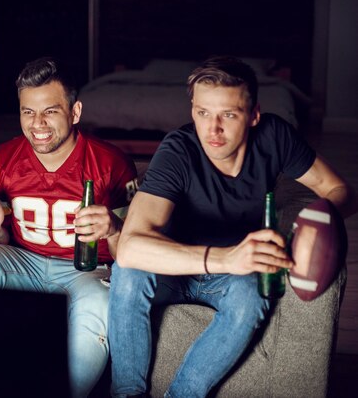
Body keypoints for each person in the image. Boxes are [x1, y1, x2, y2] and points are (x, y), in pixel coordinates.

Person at [108, 55, 357, 398]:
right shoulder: (178, 151)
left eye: (228, 114)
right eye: (202, 113)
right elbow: (130, 247)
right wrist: (225, 258)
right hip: (176, 270)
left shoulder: (274, 136)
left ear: (253, 114)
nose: (213, 129)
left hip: (233, 279)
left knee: (250, 290)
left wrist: (307, 230)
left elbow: (339, 190)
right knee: (128, 271)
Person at [0, 57, 138, 397]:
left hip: (87, 270)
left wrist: (114, 229)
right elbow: (4, 234)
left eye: (50, 111)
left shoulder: (111, 163)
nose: (38, 124)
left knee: (99, 304)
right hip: (26, 262)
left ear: (74, 112)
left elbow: (133, 254)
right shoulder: (2, 158)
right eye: (28, 112)